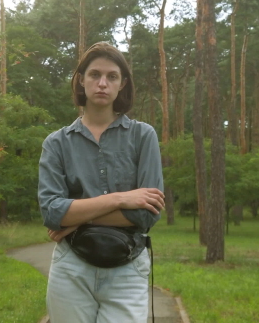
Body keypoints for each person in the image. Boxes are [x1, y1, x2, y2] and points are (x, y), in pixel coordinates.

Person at [38, 41, 165, 322]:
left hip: (128, 268)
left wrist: (75, 219)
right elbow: (51, 212)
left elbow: (145, 214)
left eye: (112, 76)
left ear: (122, 84)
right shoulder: (56, 143)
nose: (102, 83)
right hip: (71, 266)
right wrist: (119, 199)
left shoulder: (143, 136)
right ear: (81, 80)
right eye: (95, 75)